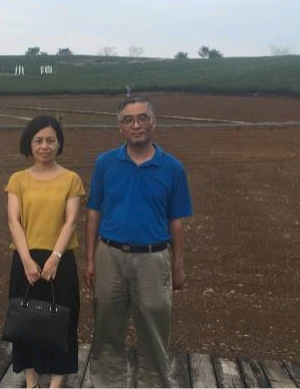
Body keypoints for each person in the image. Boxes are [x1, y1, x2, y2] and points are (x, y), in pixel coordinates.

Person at [85, 95, 192, 389]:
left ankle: (153, 384)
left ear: (153, 122)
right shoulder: (105, 163)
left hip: (153, 260)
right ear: (120, 127)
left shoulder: (172, 168)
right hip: (110, 256)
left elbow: (176, 223)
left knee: (154, 331)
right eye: (128, 120)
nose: (136, 125)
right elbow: (94, 213)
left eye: (142, 118)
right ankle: (107, 384)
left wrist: (178, 266)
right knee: (107, 329)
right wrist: (91, 259)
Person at [5, 115, 85, 389]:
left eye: (50, 140)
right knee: (25, 321)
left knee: (63, 321)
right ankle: (31, 382)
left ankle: (56, 383)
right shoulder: (18, 179)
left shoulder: (71, 179)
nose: (44, 146)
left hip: (60, 259)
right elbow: (13, 220)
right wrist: (27, 260)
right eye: (38, 140)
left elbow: (71, 221)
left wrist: (55, 258)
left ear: (59, 143)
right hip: (25, 259)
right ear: (29, 143)